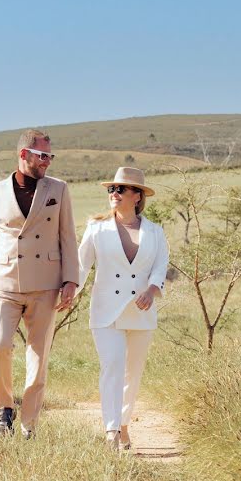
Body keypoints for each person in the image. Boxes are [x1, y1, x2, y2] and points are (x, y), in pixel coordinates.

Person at [0, 129, 80, 439]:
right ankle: (5, 408)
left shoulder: (59, 189)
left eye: (50, 156)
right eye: (42, 155)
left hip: (46, 283)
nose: (47, 161)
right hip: (5, 281)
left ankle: (30, 421)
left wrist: (71, 279)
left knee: (38, 354)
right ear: (23, 155)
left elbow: (68, 236)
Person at [76, 167, 168, 450]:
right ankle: (111, 430)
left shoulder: (155, 232)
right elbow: (81, 266)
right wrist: (67, 293)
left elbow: (160, 267)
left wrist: (152, 291)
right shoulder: (96, 228)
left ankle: (124, 424)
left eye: (121, 189)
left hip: (141, 311)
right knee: (112, 366)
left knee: (133, 372)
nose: (114, 194)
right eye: (111, 189)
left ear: (137, 196)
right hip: (106, 309)